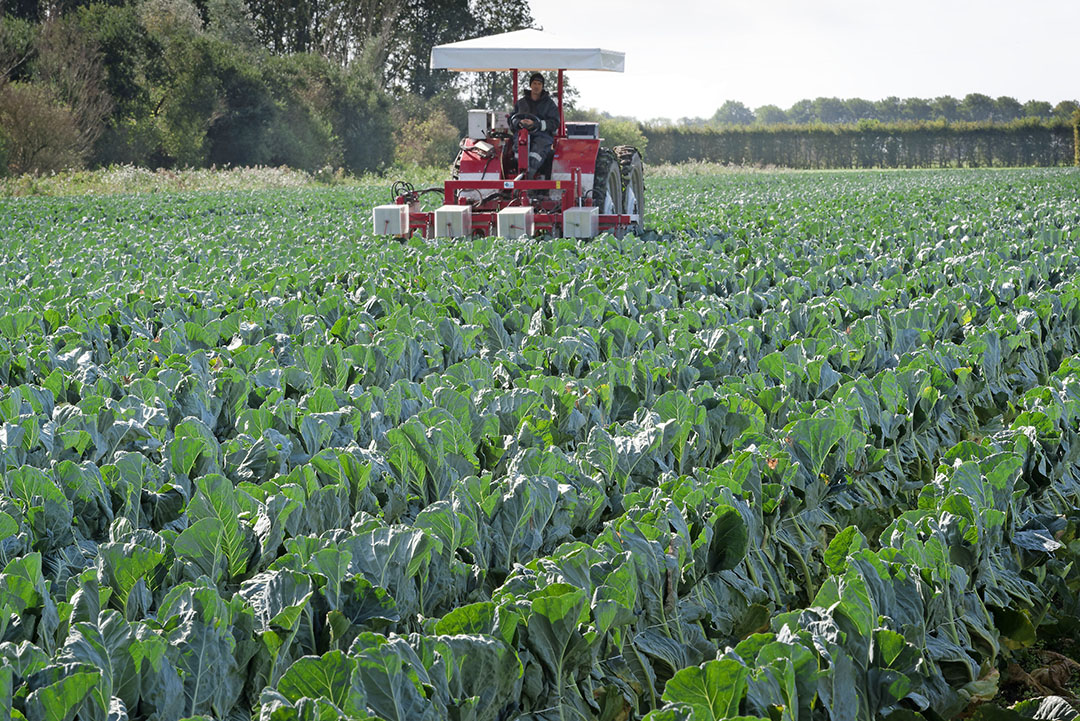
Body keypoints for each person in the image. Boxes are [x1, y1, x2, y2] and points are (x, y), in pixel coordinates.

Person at [513, 72, 560, 178]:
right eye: (534, 83)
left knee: (537, 152)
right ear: (530, 85)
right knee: (518, 149)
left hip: (542, 135)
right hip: (522, 134)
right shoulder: (521, 103)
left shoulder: (549, 104)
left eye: (539, 84)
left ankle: (529, 178)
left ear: (542, 86)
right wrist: (519, 122)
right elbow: (513, 118)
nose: (536, 86)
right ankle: (518, 175)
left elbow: (555, 122)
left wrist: (537, 124)